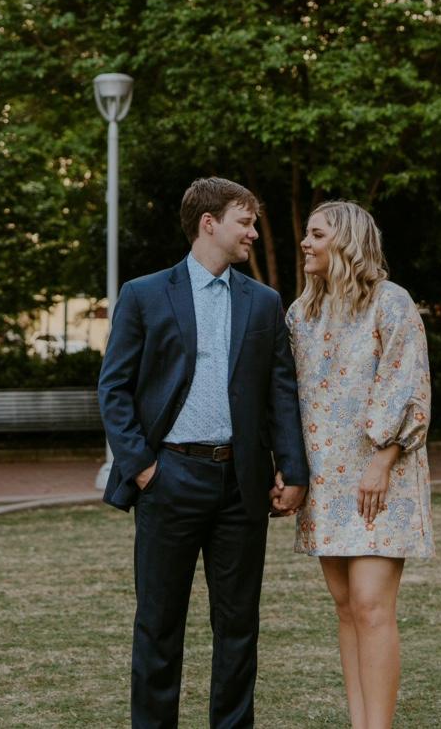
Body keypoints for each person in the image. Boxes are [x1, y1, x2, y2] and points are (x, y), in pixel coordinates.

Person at [98, 176, 309, 729]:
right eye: (246, 222)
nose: (254, 233)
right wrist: (142, 467)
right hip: (168, 479)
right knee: (158, 625)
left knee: (238, 627)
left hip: (242, 485)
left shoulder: (264, 302)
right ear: (209, 224)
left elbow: (281, 391)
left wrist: (293, 468)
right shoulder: (144, 294)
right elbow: (113, 389)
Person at [287, 200, 432, 729]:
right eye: (307, 234)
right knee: (346, 607)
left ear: (346, 241)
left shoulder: (391, 304)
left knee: (372, 605)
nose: (305, 243)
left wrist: (383, 459)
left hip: (381, 476)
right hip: (326, 480)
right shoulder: (301, 314)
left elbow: (409, 386)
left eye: (316, 234)